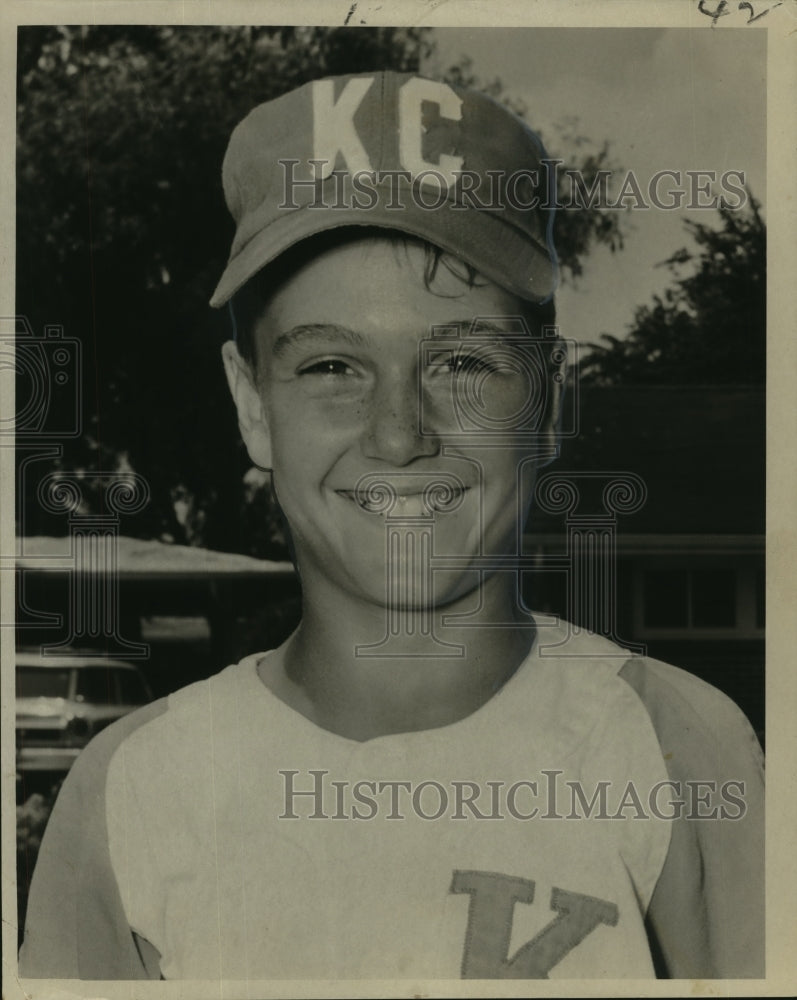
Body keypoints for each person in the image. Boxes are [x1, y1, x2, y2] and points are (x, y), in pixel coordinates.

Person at [19, 70, 763, 982]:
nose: (399, 433)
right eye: (332, 364)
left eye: (460, 362)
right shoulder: (134, 784)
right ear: (252, 405)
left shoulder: (674, 744)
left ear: (547, 398)